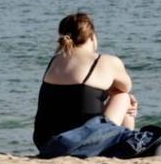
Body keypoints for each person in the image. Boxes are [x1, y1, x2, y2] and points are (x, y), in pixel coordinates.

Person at [33, 12, 138, 154]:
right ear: (92, 37)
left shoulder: (55, 61)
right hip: (78, 142)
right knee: (123, 96)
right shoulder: (105, 61)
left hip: (45, 143)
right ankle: (130, 147)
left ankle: (127, 145)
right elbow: (126, 86)